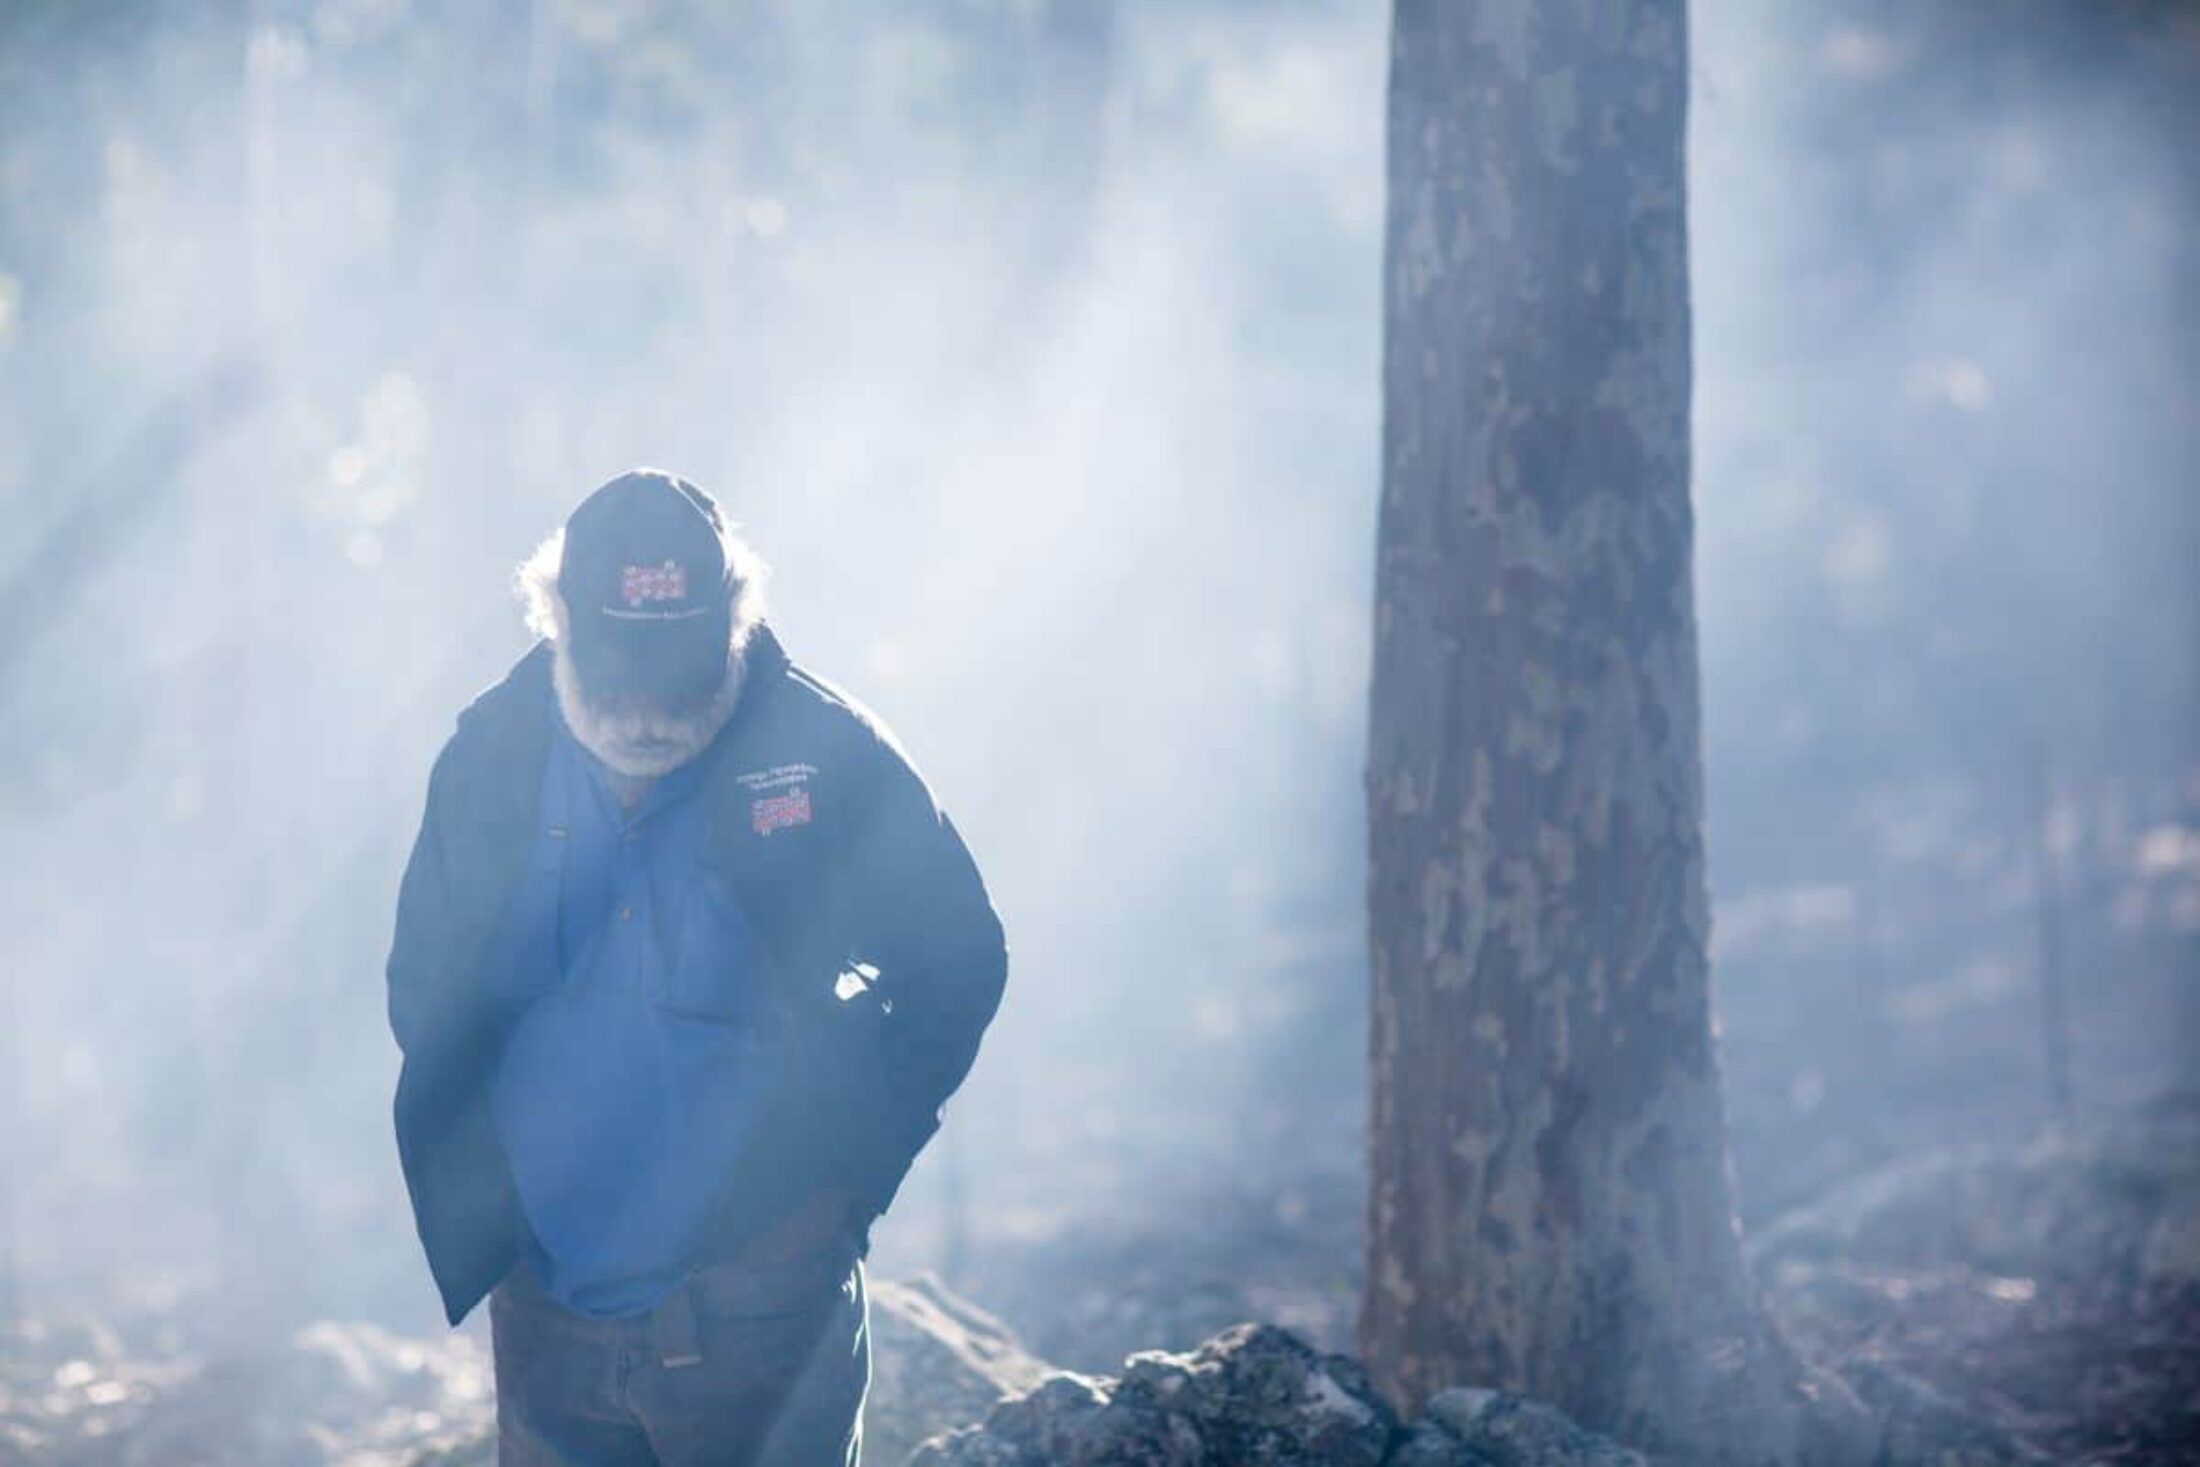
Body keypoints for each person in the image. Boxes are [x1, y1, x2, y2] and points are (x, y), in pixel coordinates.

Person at [384, 468, 1008, 1465]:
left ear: (735, 625)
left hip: (764, 1312)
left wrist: (839, 1185)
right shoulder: (489, 757)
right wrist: (501, 1205)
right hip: (549, 1317)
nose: (644, 713)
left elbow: (959, 960)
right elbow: (423, 985)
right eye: (615, 671)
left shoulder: (823, 752)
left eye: (676, 672)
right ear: (555, 622)